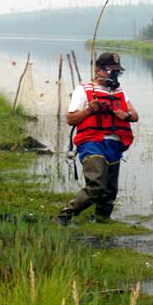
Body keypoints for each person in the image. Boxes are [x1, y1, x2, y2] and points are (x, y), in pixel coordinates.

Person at [55, 52, 139, 225]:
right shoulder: (83, 90)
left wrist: (126, 115)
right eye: (111, 70)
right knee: (97, 184)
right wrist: (90, 110)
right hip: (91, 141)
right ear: (98, 70)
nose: (114, 75)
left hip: (114, 143)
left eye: (117, 71)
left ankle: (102, 220)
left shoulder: (120, 92)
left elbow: (135, 115)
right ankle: (64, 217)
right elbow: (71, 119)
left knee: (110, 191)